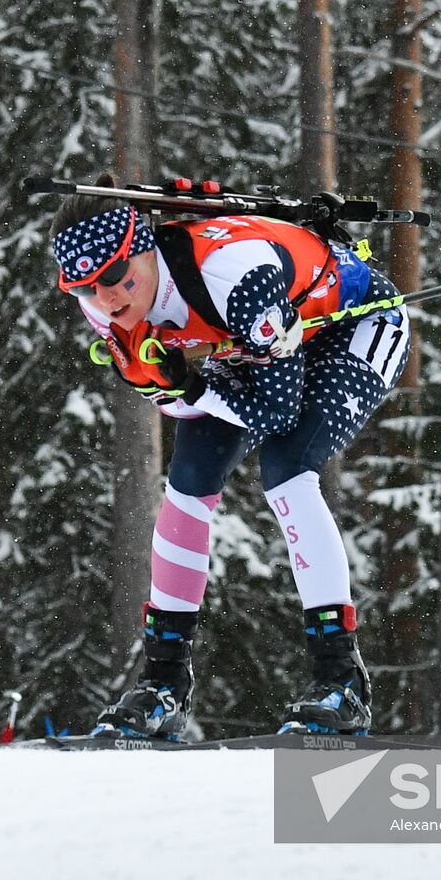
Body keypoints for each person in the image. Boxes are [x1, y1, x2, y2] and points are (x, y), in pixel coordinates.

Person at [49, 173, 411, 737]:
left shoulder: (232, 275)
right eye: (84, 288)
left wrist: (190, 387)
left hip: (353, 323)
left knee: (287, 471)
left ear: (141, 247)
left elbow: (276, 414)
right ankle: (163, 683)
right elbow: (189, 411)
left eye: (115, 276)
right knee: (188, 480)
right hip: (253, 344)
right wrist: (169, 390)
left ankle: (341, 681)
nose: (106, 298)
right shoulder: (105, 305)